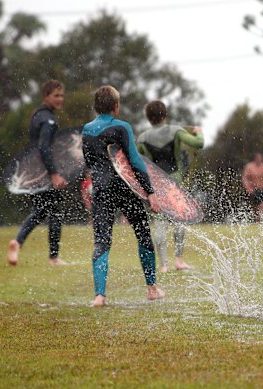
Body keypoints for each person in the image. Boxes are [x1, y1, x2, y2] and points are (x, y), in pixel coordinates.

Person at [82, 85, 165, 307]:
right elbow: (135, 162)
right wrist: (150, 192)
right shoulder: (122, 127)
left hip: (100, 189)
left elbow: (89, 162)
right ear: (116, 107)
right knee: (143, 233)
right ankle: (152, 288)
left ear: (96, 107)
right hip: (125, 188)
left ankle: (99, 295)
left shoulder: (86, 130)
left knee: (102, 240)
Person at [137, 100, 204, 273]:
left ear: (148, 117)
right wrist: (199, 133)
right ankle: (179, 260)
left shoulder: (142, 138)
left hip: (156, 183)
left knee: (159, 223)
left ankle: (163, 265)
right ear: (164, 114)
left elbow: (138, 162)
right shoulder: (176, 131)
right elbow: (198, 144)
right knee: (179, 219)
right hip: (175, 181)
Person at [7, 80, 68, 266]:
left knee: (43, 211)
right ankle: (51, 257)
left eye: (62, 95)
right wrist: (54, 173)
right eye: (56, 95)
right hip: (44, 173)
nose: (60, 99)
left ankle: (20, 243)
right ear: (46, 96)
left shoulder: (38, 115)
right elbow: (43, 147)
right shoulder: (48, 119)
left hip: (35, 171)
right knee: (52, 211)